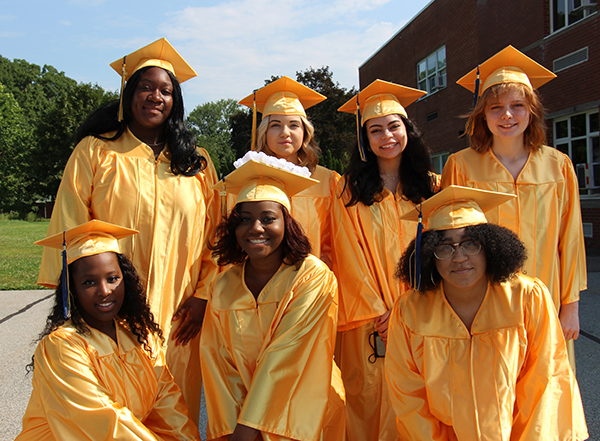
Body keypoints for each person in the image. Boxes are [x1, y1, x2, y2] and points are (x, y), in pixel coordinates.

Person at [36, 38, 219, 422]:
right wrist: (73, 305)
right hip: (109, 311)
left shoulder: (196, 164)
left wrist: (203, 297)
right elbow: (70, 227)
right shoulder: (95, 152)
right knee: (112, 416)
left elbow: (215, 239)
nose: (155, 97)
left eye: (166, 91)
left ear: (176, 101)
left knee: (176, 414)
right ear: (128, 94)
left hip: (178, 315)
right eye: (145, 87)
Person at [386, 185, 588, 440]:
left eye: (471, 244)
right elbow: (408, 395)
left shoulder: (526, 298)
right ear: (429, 255)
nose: (459, 257)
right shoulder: (410, 311)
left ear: (491, 246)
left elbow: (544, 382)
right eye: (445, 247)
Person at [441, 45, 586, 369]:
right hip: (482, 302)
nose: (507, 115)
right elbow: (451, 240)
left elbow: (571, 238)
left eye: (517, 106)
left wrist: (570, 306)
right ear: (482, 114)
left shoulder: (558, 166)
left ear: (532, 110)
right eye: (496, 108)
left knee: (545, 392)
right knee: (492, 390)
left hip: (546, 299)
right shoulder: (461, 165)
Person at [201, 153, 345, 441]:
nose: (255, 229)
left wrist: (246, 430)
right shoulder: (225, 284)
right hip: (240, 422)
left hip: (304, 414)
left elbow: (287, 356)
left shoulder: (311, 276)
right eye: (244, 220)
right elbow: (218, 363)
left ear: (286, 223)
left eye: (268, 219)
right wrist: (232, 427)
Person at [18, 220, 200, 440]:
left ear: (127, 280)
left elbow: (168, 404)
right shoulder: (62, 346)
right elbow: (103, 421)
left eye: (113, 278)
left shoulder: (140, 336)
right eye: (88, 282)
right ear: (71, 288)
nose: (104, 291)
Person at [332, 79, 439, 441]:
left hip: (423, 315)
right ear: (365, 140)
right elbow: (348, 255)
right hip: (369, 323)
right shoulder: (347, 191)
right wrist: (381, 313)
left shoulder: (432, 188)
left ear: (407, 130)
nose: (386, 136)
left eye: (394, 126)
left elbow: (442, 253)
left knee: (420, 404)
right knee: (365, 405)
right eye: (375, 130)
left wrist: (408, 309)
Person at [238, 76, 339, 267]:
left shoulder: (328, 181)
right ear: (264, 132)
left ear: (305, 132)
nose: (285, 132)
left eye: (294, 125)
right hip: (262, 285)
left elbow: (339, 241)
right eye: (275, 125)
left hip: (314, 283)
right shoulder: (248, 179)